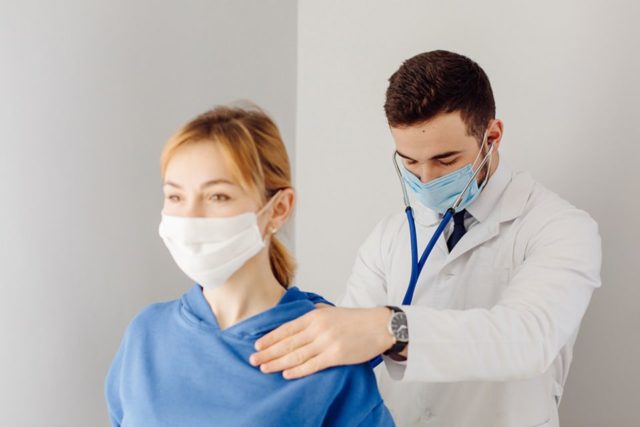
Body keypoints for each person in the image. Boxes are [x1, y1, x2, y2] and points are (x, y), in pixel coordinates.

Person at [249, 50, 602, 426]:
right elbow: (349, 345)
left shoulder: (559, 227)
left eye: (446, 160)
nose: (426, 179)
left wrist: (392, 328)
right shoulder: (390, 236)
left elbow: (529, 338)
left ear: (492, 137)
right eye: (410, 162)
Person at [104, 105, 395, 427]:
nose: (190, 217)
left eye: (217, 197)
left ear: (278, 209)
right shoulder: (146, 334)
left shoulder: (325, 349)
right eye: (175, 197)